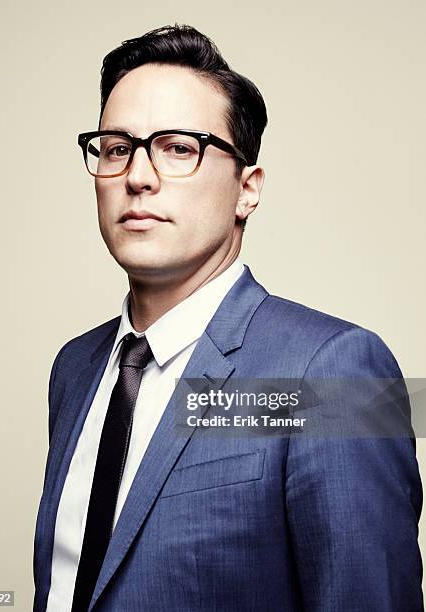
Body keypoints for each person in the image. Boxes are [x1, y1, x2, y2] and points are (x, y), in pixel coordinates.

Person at [33, 24, 423, 612]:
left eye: (179, 148)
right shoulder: (75, 367)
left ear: (248, 189)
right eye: (117, 148)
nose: (138, 176)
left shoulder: (336, 370)